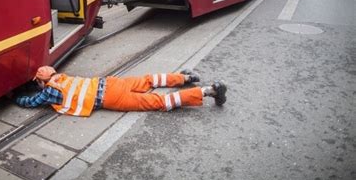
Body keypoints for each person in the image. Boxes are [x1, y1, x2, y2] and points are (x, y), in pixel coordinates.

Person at [16, 66, 227, 116]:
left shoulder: (49, 91)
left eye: (39, 83)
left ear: (42, 82)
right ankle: (186, 77)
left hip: (110, 97)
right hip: (111, 83)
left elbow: (31, 102)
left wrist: (14, 97)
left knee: (159, 102)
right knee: (148, 80)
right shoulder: (63, 77)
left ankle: (209, 91)